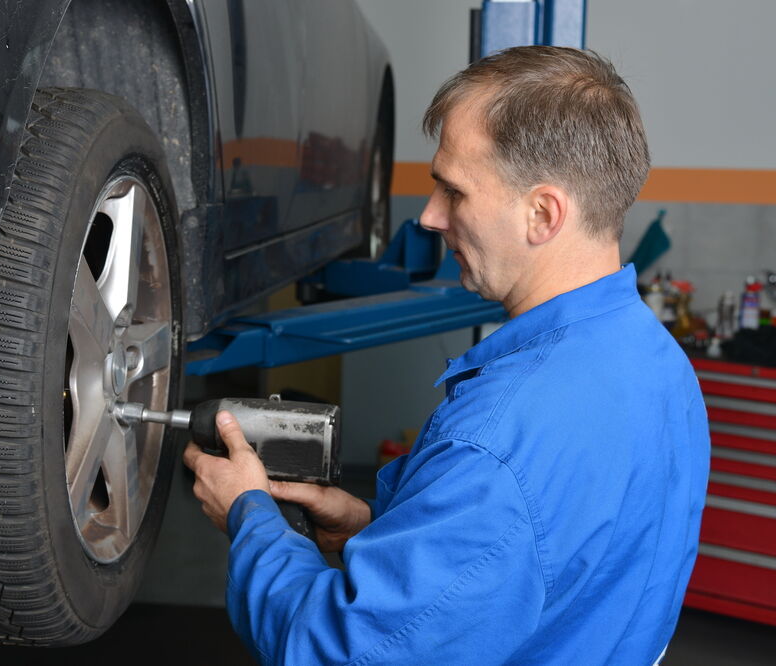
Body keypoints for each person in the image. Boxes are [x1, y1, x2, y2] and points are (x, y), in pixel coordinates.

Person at [184, 46, 710, 665]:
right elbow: (540, 562)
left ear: (542, 213)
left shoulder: (499, 444)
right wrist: (371, 526)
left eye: (454, 192)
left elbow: (332, 651)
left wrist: (250, 518)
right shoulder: (663, 367)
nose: (431, 216)